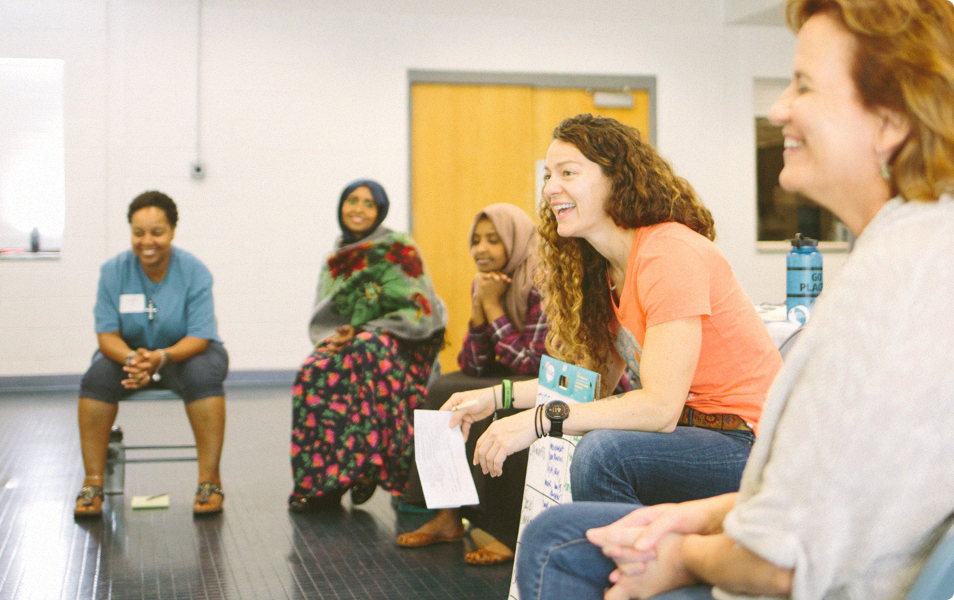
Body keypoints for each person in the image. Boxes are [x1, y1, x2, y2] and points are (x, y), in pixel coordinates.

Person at [515, 0, 954, 598]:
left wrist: (682, 553)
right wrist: (698, 517)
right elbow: (807, 495)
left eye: (802, 86)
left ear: (892, 120)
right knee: (573, 520)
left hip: (796, 569)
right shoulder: (905, 249)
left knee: (561, 539)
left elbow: (782, 560)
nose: (778, 109)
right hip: (773, 521)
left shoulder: (892, 288)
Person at [445, 114, 783, 511]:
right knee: (590, 448)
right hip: (697, 435)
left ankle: (639, 569)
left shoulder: (669, 251)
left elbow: (659, 408)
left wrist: (537, 421)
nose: (551, 189)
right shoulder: (605, 272)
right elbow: (586, 386)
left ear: (616, 178)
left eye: (568, 172)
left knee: (603, 453)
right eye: (548, 176)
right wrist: (495, 397)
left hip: (754, 444)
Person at [397, 203, 547, 565]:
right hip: (507, 371)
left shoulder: (543, 279)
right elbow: (473, 363)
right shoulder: (486, 283)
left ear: (516, 240)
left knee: (503, 403)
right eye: (476, 240)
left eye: (494, 240)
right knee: (442, 389)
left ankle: (501, 529)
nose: (481, 249)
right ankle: (448, 514)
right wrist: (480, 313)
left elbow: (531, 362)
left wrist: (494, 308)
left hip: (540, 378)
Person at [288, 179, 447, 512]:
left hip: (405, 345)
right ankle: (324, 484)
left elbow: (417, 308)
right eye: (352, 201)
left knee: (368, 353)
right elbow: (327, 316)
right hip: (352, 343)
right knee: (313, 371)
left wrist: (363, 330)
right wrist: (340, 335)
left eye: (368, 203)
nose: (358, 209)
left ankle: (370, 468)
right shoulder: (336, 257)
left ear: (380, 211)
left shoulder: (398, 247)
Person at [75, 191, 229, 517]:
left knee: (202, 374)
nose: (148, 241)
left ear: (172, 231)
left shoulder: (195, 272)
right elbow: (107, 336)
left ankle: (209, 481)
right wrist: (134, 360)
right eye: (138, 232)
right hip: (129, 357)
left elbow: (200, 335)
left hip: (187, 355)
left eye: (157, 232)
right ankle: (92, 483)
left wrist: (160, 358)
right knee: (97, 376)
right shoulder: (112, 272)